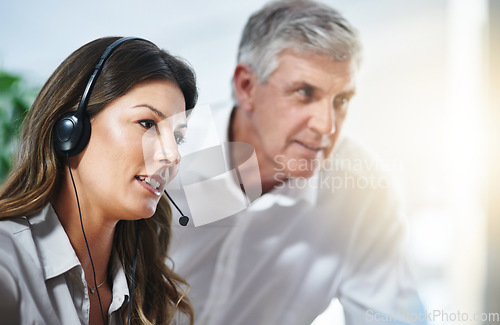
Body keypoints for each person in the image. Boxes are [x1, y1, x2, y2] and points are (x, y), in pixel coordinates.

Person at [168, 1, 426, 324]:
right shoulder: (164, 160)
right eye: (304, 92)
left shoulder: (362, 195)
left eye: (341, 100)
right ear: (246, 87)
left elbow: (394, 317)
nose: (326, 126)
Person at [0, 37, 197, 325]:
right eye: (147, 123)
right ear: (71, 129)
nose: (173, 155)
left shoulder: (146, 285)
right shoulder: (7, 262)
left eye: (178, 137)